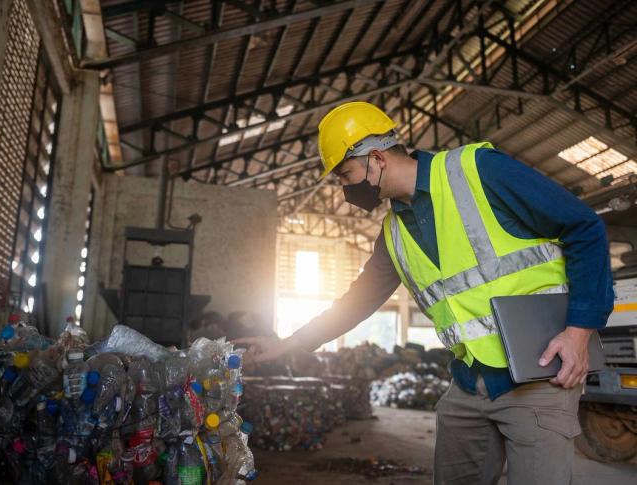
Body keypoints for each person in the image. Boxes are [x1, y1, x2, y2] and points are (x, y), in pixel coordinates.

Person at [238, 102, 614, 484]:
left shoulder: (479, 171)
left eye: (346, 174)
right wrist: (287, 344)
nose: (344, 188)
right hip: (468, 385)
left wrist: (579, 332)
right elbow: (356, 302)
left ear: (377, 158)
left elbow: (584, 227)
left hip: (539, 378)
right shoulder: (393, 234)